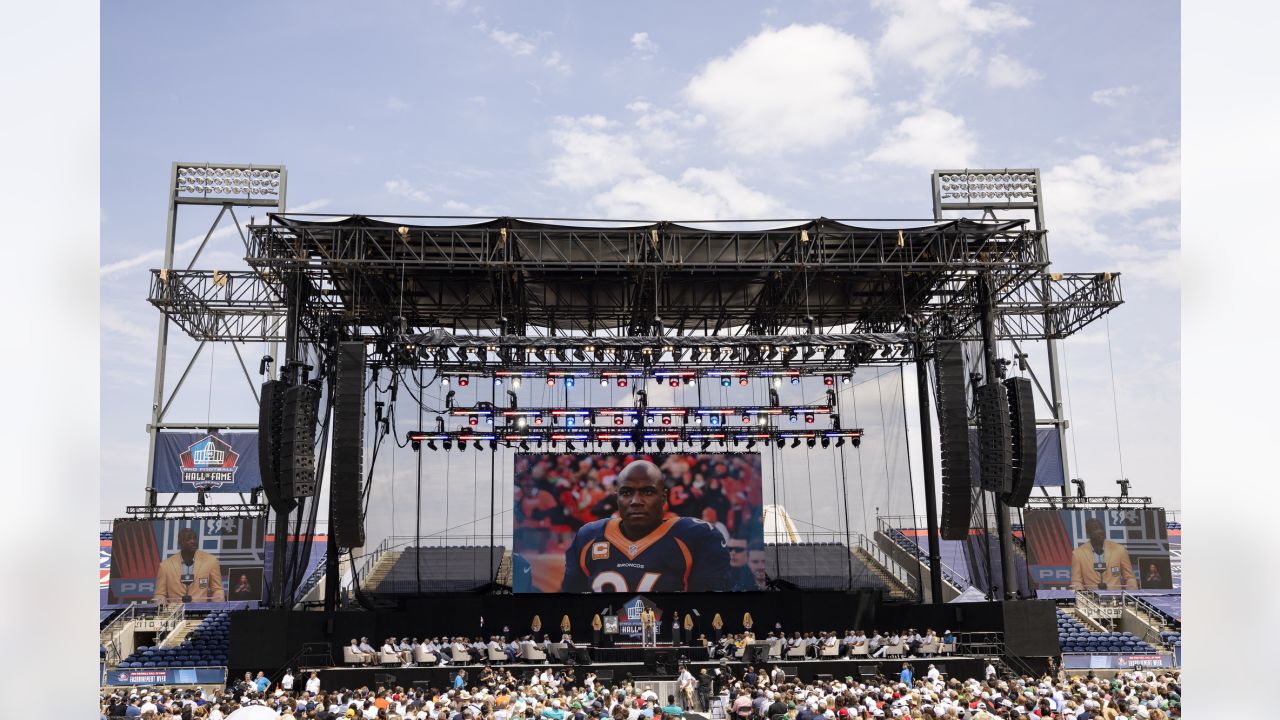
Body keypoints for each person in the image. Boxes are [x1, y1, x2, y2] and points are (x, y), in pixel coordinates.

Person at [559, 461, 731, 593]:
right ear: (616, 498)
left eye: (647, 492)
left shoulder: (696, 537)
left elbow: (710, 609)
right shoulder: (588, 536)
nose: (635, 502)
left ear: (663, 498)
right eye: (626, 493)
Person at [152, 526, 224, 603]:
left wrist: (217, 610)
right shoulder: (165, 566)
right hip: (176, 613)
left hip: (200, 612)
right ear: (180, 542)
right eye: (188, 539)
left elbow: (217, 590)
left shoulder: (210, 561)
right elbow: (160, 594)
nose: (193, 541)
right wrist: (164, 612)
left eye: (194, 538)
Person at [1070, 517, 1137, 591]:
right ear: (1088, 533)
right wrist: (1082, 598)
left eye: (1101, 528)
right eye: (1095, 529)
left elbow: (1130, 578)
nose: (1100, 531)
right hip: (1091, 599)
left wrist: (1131, 595)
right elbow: (1076, 581)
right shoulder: (1078, 554)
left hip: (1116, 599)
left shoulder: (1120, 550)